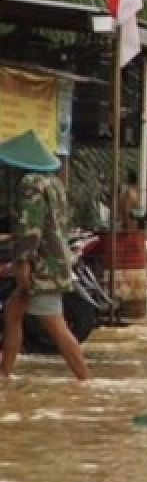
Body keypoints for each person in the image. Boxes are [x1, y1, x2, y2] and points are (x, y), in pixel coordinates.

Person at [1, 133, 90, 381]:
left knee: (55, 325)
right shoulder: (54, 183)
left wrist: (23, 264)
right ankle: (5, 375)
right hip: (55, 261)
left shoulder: (30, 184)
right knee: (12, 315)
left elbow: (30, 228)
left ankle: (84, 378)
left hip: (41, 266)